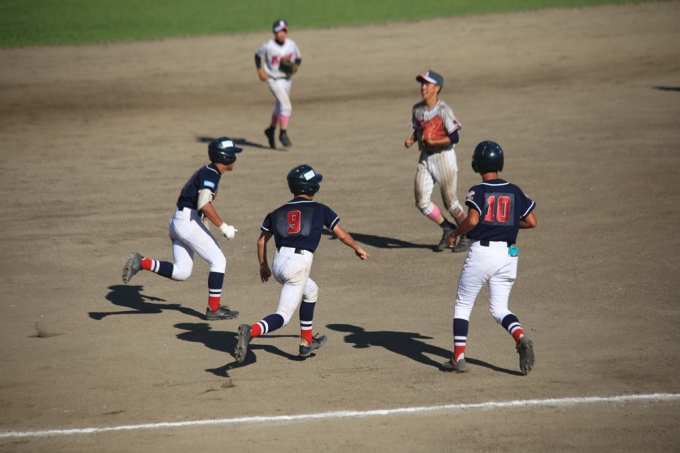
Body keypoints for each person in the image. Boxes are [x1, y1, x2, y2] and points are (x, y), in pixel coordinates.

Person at [234, 164, 370, 363]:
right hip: (297, 266)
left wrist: (263, 265)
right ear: (312, 187)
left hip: (279, 263)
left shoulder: (277, 212)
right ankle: (251, 331)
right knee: (283, 316)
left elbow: (261, 241)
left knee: (311, 291)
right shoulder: (320, 209)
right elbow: (341, 235)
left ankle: (307, 341)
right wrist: (357, 248)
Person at [441, 141, 537, 375]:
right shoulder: (515, 190)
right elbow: (531, 221)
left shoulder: (479, 190)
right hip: (508, 256)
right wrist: (505, 225)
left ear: (477, 165)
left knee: (463, 305)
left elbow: (473, 220)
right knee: (499, 308)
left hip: (483, 254)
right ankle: (520, 337)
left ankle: (458, 358)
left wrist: (454, 233)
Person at [121, 137, 242, 321]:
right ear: (226, 157)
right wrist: (223, 226)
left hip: (179, 221)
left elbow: (198, 204)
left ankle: (142, 262)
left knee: (182, 272)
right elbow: (203, 204)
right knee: (218, 261)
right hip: (187, 222)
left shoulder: (208, 171)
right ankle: (214, 309)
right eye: (233, 154)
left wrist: (205, 227)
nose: (236, 158)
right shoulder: (211, 173)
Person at [404, 70, 470, 253]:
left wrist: (434, 142)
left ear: (437, 88)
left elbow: (454, 137)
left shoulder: (443, 110)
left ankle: (467, 233)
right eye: (422, 84)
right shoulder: (417, 109)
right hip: (425, 158)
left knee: (451, 203)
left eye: (427, 84)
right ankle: (447, 228)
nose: (423, 87)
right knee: (421, 202)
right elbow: (420, 128)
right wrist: (412, 139)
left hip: (444, 157)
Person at [255, 19, 302, 149]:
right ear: (274, 32)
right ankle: (283, 133)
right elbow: (257, 56)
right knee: (286, 106)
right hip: (273, 79)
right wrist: (260, 70)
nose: (281, 34)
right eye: (279, 31)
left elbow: (298, 58)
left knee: (279, 107)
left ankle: (270, 130)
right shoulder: (268, 46)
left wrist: (296, 66)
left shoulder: (291, 44)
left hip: (287, 79)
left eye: (284, 31)